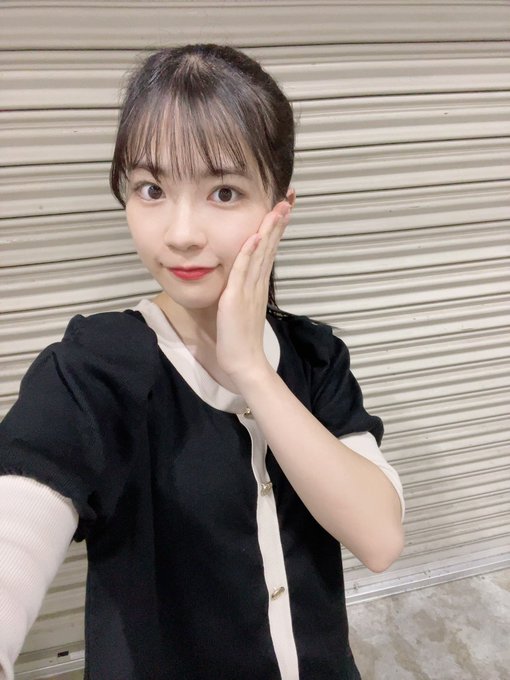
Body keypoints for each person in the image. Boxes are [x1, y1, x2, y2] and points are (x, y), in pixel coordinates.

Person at [0, 44, 405, 680]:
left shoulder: (315, 358)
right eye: (152, 189)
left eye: (223, 191)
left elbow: (380, 540)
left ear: (279, 208)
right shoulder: (92, 371)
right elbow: (18, 520)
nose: (181, 233)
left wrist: (253, 373)